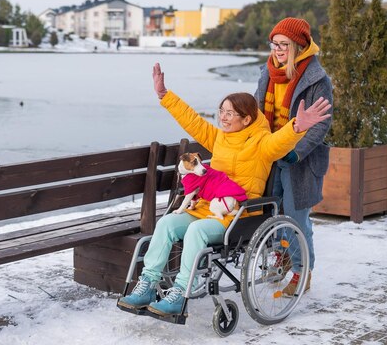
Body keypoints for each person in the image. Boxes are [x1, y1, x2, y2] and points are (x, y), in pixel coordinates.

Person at [116, 63, 331, 316]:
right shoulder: (219, 137)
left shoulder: (262, 144)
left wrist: (297, 127)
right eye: (221, 112)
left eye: (230, 113)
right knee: (166, 224)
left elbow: (280, 142)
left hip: (237, 216)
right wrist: (165, 95)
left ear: (247, 118)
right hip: (206, 209)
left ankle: (180, 292)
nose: (223, 117)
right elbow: (192, 120)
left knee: (196, 231)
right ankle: (148, 285)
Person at [254, 17, 333, 296]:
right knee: (272, 211)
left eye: (283, 44)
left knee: (296, 218)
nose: (277, 49)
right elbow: (256, 112)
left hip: (300, 160)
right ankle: (282, 255)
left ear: (298, 46)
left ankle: (302, 272)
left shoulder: (317, 79)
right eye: (274, 43)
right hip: (271, 153)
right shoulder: (268, 72)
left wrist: (294, 153)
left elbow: (321, 125)